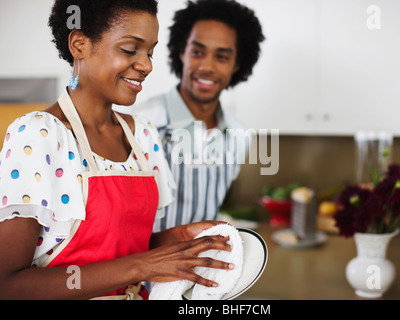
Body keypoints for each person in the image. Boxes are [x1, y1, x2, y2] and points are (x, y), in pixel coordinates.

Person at [0, 0, 234, 300]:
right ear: (80, 45)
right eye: (129, 49)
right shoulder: (39, 135)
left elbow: (119, 249)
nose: (147, 65)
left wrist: (178, 238)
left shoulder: (142, 136)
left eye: (149, 52)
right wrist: (139, 267)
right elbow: (8, 285)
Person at [114, 0, 265, 232]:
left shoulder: (239, 136)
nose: (207, 66)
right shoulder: (138, 124)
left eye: (222, 57)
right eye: (197, 52)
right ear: (182, 51)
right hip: (145, 265)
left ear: (236, 65)